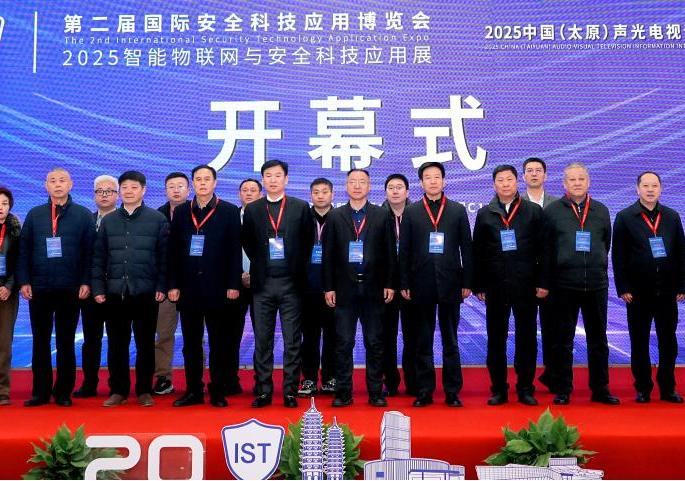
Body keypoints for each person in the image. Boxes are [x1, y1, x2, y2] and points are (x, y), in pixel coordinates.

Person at [542, 162, 619, 405]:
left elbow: (605, 243)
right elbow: (546, 250)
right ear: (564, 184)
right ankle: (563, 388)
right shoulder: (552, 211)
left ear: (588, 182)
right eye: (572, 180)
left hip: (596, 284)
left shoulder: (601, 210)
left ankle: (600, 389)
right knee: (562, 340)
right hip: (564, 285)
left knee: (598, 340)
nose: (577, 183)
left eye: (581, 179)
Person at [17, 168, 95, 407]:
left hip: (70, 288)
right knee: (40, 341)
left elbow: (90, 253)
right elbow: (24, 250)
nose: (58, 184)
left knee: (65, 341)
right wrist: (24, 280)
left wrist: (86, 281)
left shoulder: (83, 215)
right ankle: (40, 392)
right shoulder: (35, 214)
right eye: (53, 181)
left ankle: (63, 392)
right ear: (46, 185)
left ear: (71, 185)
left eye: (62, 180)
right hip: (39, 287)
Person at [399, 162, 473, 408]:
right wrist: (404, 282)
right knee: (423, 341)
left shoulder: (457, 210)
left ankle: (452, 392)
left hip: (451, 283)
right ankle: (424, 391)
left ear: (444, 181)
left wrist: (467, 281)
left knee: (451, 340)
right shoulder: (411, 212)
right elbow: (404, 251)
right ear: (421, 183)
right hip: (420, 284)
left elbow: (467, 248)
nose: (433, 181)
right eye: (428, 177)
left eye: (437, 177)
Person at [92, 171, 169, 407]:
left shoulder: (157, 219)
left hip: (146, 292)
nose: (128, 191)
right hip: (115, 292)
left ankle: (144, 390)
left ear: (143, 190)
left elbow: (165, 258)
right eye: (124, 187)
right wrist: (98, 288)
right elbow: (99, 257)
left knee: (145, 344)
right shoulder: (109, 221)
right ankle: (118, 391)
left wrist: (162, 286)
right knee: (117, 344)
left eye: (134, 187)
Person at [241, 160, 314, 408]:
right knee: (263, 339)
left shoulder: (300, 207)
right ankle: (263, 390)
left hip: (291, 284)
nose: (273, 180)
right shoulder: (253, 209)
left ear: (286, 179)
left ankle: (290, 391)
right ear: (263, 180)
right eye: (268, 175)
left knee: (293, 340)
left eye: (278, 175)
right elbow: (248, 242)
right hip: (263, 284)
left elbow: (307, 241)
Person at [168, 165, 242, 408]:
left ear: (215, 183)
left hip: (218, 288)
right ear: (192, 184)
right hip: (188, 288)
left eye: (206, 179)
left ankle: (217, 390)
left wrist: (233, 284)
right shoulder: (181, 212)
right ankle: (194, 390)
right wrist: (173, 284)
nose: (202, 183)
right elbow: (173, 251)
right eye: (198, 179)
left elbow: (234, 250)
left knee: (218, 342)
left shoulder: (229, 211)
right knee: (191, 344)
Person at [473, 165, 545, 406]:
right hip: (495, 286)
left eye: (509, 179)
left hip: (526, 285)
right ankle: (499, 390)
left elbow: (544, 250)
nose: (505, 184)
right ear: (494, 185)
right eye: (500, 180)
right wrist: (479, 285)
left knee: (527, 339)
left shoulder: (533, 211)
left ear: (517, 182)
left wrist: (542, 281)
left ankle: (525, 388)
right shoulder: (485, 214)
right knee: (496, 339)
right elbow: (478, 251)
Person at [324, 169, 395, 408]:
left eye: (362, 182)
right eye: (352, 182)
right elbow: (328, 254)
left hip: (374, 288)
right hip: (344, 288)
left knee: (375, 342)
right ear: (346, 186)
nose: (357, 186)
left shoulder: (381, 214)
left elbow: (389, 253)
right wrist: (329, 287)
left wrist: (389, 283)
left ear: (369, 186)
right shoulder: (335, 216)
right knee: (343, 342)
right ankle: (343, 393)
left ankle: (375, 392)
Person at [612, 171, 685, 403]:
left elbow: (681, 253)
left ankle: (668, 388)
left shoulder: (672, 216)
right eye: (646, 186)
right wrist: (623, 287)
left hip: (667, 291)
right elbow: (619, 255)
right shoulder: (625, 217)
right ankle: (643, 388)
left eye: (654, 186)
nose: (650, 190)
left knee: (668, 341)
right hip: (637, 293)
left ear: (660, 189)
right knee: (639, 341)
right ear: (638, 189)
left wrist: (682, 285)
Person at [73, 175, 119, 398]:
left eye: (109, 191)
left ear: (117, 195)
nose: (104, 195)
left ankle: (116, 385)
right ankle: (89, 383)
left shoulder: (124, 221)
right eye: (99, 191)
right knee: (91, 339)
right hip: (90, 289)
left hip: (118, 290)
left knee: (117, 339)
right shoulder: (85, 221)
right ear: (94, 195)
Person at [521, 157, 558, 391]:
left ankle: (552, 374)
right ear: (523, 176)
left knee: (552, 327)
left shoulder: (558, 204)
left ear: (545, 175)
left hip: (552, 274)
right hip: (524, 274)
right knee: (526, 329)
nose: (534, 174)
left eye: (538, 170)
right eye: (529, 170)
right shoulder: (516, 203)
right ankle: (526, 379)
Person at [153, 172, 190, 396]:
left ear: (188, 189)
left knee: (194, 336)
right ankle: (163, 378)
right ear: (166, 190)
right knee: (164, 334)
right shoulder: (156, 216)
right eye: (171, 187)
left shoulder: (198, 213)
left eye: (180, 186)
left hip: (193, 285)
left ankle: (195, 379)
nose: (176, 190)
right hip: (166, 286)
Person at [298, 178, 336, 397]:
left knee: (332, 336)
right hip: (307, 287)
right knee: (309, 337)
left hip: (333, 288)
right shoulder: (303, 218)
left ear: (332, 194)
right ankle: (309, 379)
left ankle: (330, 378)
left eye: (324, 192)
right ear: (311, 195)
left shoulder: (340, 218)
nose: (320, 196)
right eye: (316, 192)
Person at [381, 173, 417, 396]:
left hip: (411, 285)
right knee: (387, 336)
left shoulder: (418, 214)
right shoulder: (377, 216)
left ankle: (413, 381)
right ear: (385, 192)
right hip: (386, 286)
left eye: (399, 187)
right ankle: (391, 382)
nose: (395, 191)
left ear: (407, 191)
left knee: (412, 336)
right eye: (391, 187)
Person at [229, 178, 263, 397]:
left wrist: (255, 273)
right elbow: (224, 251)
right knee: (231, 334)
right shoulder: (230, 216)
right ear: (239, 194)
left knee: (262, 334)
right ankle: (230, 379)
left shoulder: (266, 216)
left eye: (253, 190)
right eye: (245, 190)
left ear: (260, 194)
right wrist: (238, 275)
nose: (249, 193)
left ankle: (262, 381)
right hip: (235, 283)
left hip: (261, 283)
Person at [0, 187, 21, 406]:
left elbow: (19, 262)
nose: (0, 207)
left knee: (4, 343)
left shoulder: (15, 230)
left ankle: (2, 391)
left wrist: (8, 286)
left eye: (4, 203)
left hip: (7, 294)